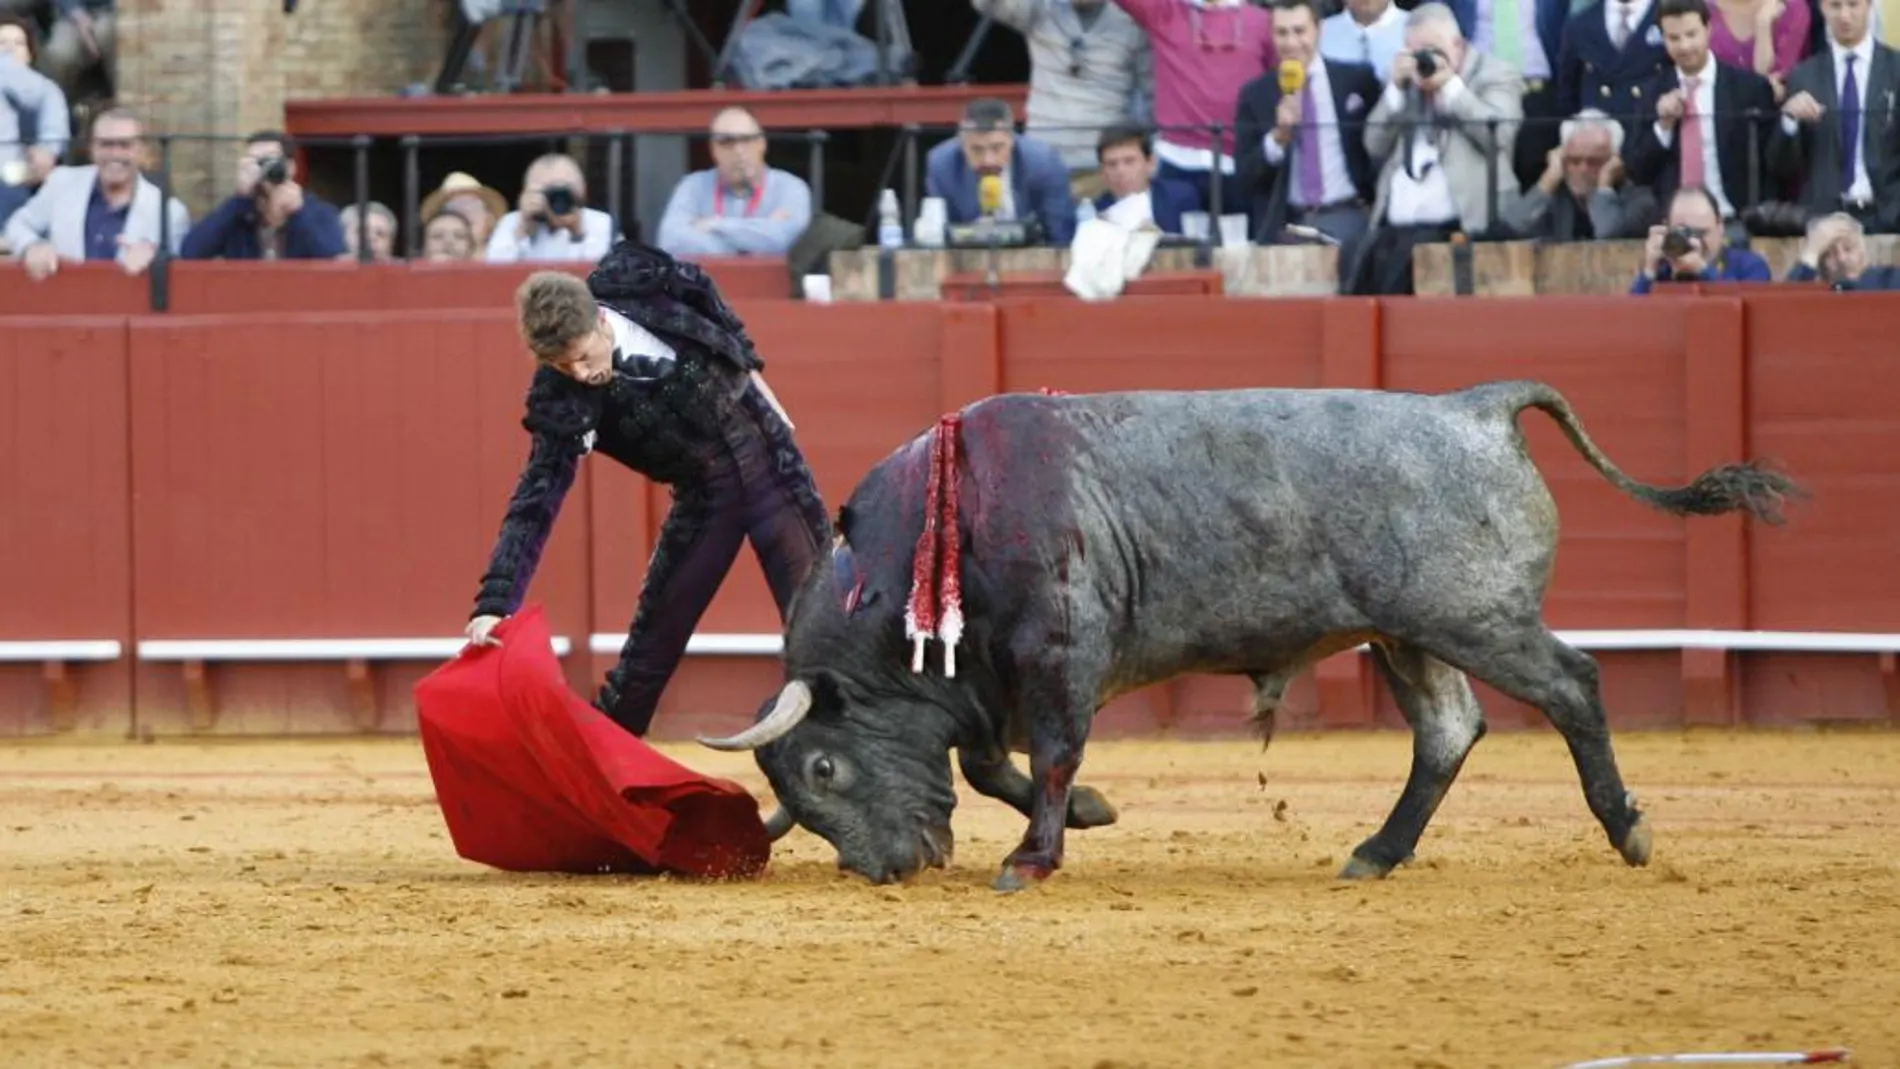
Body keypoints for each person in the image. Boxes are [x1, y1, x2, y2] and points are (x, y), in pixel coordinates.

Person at [464, 240, 831, 738]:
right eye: (561, 366)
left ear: (598, 320)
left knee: (823, 632)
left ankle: (850, 772)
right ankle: (599, 776)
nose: (580, 374)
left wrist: (748, 361)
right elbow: (536, 500)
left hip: (773, 467)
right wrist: (494, 603)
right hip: (706, 500)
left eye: (581, 357)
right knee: (648, 654)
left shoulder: (635, 279)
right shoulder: (561, 398)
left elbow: (700, 286)